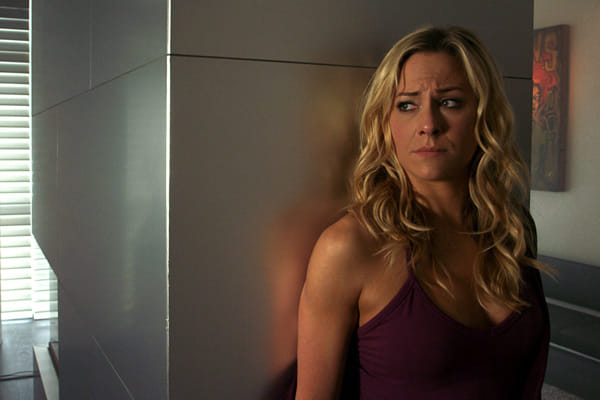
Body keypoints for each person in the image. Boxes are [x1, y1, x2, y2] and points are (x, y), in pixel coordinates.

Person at [295, 26, 551, 400]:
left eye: (450, 102)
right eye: (407, 105)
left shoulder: (512, 229)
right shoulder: (349, 247)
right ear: (386, 122)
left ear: (482, 115)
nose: (429, 125)